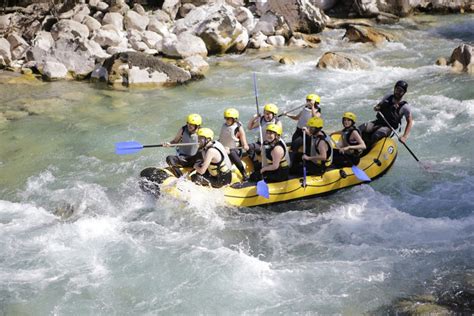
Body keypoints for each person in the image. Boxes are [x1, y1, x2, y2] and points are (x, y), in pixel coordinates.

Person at [359, 80, 413, 147]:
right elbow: (379, 105)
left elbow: (410, 122)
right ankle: (356, 146)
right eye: (397, 89)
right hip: (378, 122)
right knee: (361, 128)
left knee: (376, 135)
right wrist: (377, 107)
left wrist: (404, 136)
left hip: (388, 127)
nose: (398, 92)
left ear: (404, 92)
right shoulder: (388, 97)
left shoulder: (405, 107)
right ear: (394, 89)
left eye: (400, 91)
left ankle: (367, 150)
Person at [285, 93, 321, 164]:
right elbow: (296, 118)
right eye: (307, 100)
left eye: (309, 101)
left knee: (308, 149)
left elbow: (315, 118)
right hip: (299, 131)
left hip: (308, 133)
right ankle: (291, 163)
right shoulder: (304, 109)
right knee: (294, 145)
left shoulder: (318, 111)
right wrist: (287, 114)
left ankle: (308, 163)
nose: (307, 102)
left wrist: (312, 106)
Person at [218, 108, 250, 181]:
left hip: (235, 150)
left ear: (234, 119)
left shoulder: (237, 128)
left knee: (231, 152)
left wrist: (245, 144)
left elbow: (242, 136)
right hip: (224, 149)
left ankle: (243, 173)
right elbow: (222, 137)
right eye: (225, 118)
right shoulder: (224, 125)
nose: (226, 120)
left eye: (228, 119)